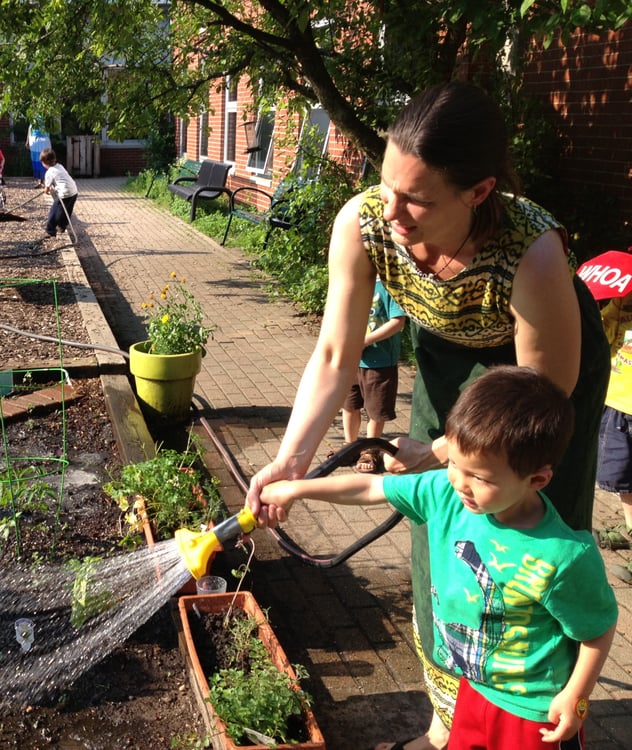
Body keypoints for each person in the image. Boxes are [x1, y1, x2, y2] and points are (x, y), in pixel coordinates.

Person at [245, 81, 610, 750]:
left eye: (417, 199)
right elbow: (335, 355)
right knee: (440, 517)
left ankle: (543, 702)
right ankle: (452, 706)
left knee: (521, 520)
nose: (393, 211)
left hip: (542, 383)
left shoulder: (532, 249)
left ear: (478, 192)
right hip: (449, 352)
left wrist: (444, 450)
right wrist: (291, 461)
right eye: (387, 185)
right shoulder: (364, 223)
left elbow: (543, 388)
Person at [255, 366, 617, 750]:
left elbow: (597, 628)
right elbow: (371, 488)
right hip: (473, 690)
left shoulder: (563, 556)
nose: (461, 482)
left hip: (532, 713)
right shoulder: (446, 493)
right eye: (454, 463)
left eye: (481, 478)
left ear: (537, 480)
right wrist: (297, 489)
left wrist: (576, 695)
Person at [343, 277, 406, 473]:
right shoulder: (355, 281)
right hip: (352, 359)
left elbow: (398, 322)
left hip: (380, 362)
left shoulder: (390, 285)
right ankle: (349, 447)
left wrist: (365, 340)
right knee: (349, 405)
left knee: (375, 411)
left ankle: (371, 450)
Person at [595, 287, 632, 558]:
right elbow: (602, 334)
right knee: (620, 475)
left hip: (622, 400)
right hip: (620, 401)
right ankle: (630, 526)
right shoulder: (623, 298)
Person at [40, 148, 78, 239]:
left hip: (65, 193)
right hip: (73, 191)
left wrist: (46, 190)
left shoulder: (49, 172)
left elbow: (47, 189)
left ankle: (50, 231)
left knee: (54, 212)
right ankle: (61, 226)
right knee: (67, 210)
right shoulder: (60, 166)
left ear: (44, 162)